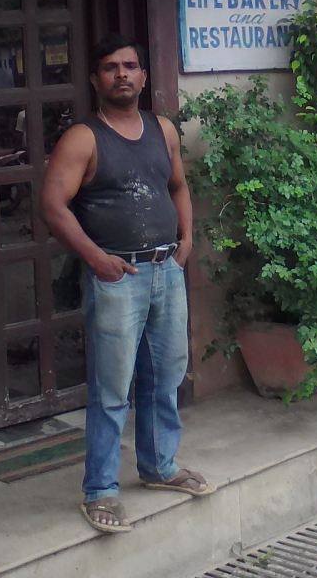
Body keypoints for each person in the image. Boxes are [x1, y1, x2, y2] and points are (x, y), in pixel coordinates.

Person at [41, 33, 215, 534]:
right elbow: (53, 205)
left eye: (130, 66)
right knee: (113, 387)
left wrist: (186, 238)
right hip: (118, 277)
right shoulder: (84, 138)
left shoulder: (163, 129)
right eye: (111, 67)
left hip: (166, 269)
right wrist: (97, 259)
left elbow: (178, 185)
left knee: (166, 374)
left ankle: (160, 466)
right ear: (96, 78)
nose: (122, 74)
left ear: (143, 75)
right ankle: (100, 490)